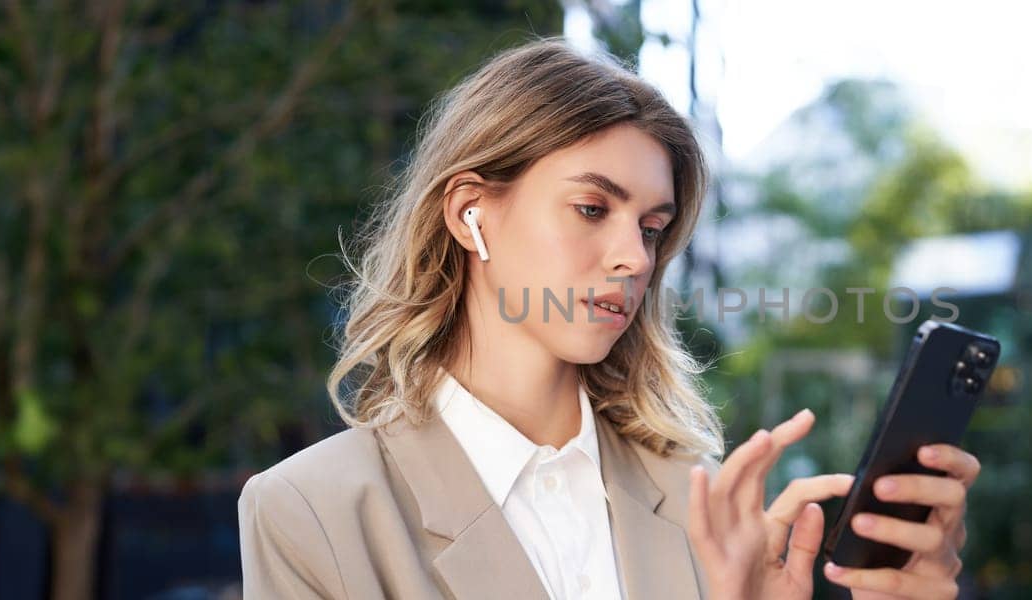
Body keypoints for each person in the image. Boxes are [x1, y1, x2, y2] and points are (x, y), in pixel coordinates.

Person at [236, 37, 980, 600]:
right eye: (593, 209)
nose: (634, 258)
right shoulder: (313, 513)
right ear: (470, 213)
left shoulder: (707, 506)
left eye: (652, 228)